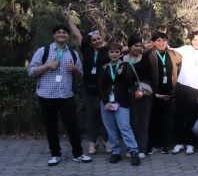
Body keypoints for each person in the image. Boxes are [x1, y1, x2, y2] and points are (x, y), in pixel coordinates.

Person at [28, 24, 91, 166]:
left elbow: (80, 74)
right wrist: (48, 66)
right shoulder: (43, 51)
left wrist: (74, 69)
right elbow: (31, 71)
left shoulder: (73, 54)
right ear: (54, 35)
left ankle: (78, 154)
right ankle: (55, 154)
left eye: (64, 32)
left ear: (68, 36)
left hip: (66, 95)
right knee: (51, 127)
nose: (61, 34)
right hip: (46, 95)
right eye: (58, 32)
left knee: (73, 126)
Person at [64, 11, 109, 155]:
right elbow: (78, 34)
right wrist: (69, 19)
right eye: (94, 40)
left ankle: (107, 141)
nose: (97, 41)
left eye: (99, 39)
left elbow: (124, 49)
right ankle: (92, 142)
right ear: (90, 42)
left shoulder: (107, 51)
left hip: (103, 90)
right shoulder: (86, 49)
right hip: (88, 90)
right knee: (90, 117)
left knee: (105, 116)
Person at [98, 42, 140, 165]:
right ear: (108, 53)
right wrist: (105, 101)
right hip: (107, 102)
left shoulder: (126, 65)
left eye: (117, 52)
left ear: (121, 53)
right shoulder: (105, 67)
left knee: (124, 127)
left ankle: (133, 151)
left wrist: (123, 74)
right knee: (110, 129)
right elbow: (100, 87)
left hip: (122, 101)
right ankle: (115, 152)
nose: (114, 54)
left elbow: (131, 83)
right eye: (112, 52)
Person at [144, 31, 182, 154]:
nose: (161, 43)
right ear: (153, 42)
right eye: (158, 40)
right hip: (154, 93)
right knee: (153, 119)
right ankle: (151, 144)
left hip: (169, 92)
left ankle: (162, 145)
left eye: (164, 40)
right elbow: (145, 74)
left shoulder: (171, 54)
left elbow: (182, 56)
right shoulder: (149, 54)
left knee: (165, 119)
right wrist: (154, 92)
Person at [122, 35, 152, 160]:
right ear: (130, 46)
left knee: (143, 122)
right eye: (136, 45)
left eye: (140, 46)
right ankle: (132, 147)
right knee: (133, 121)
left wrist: (140, 91)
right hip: (129, 93)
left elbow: (150, 77)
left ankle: (142, 149)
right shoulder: (123, 59)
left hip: (143, 93)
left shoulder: (145, 59)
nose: (138, 48)